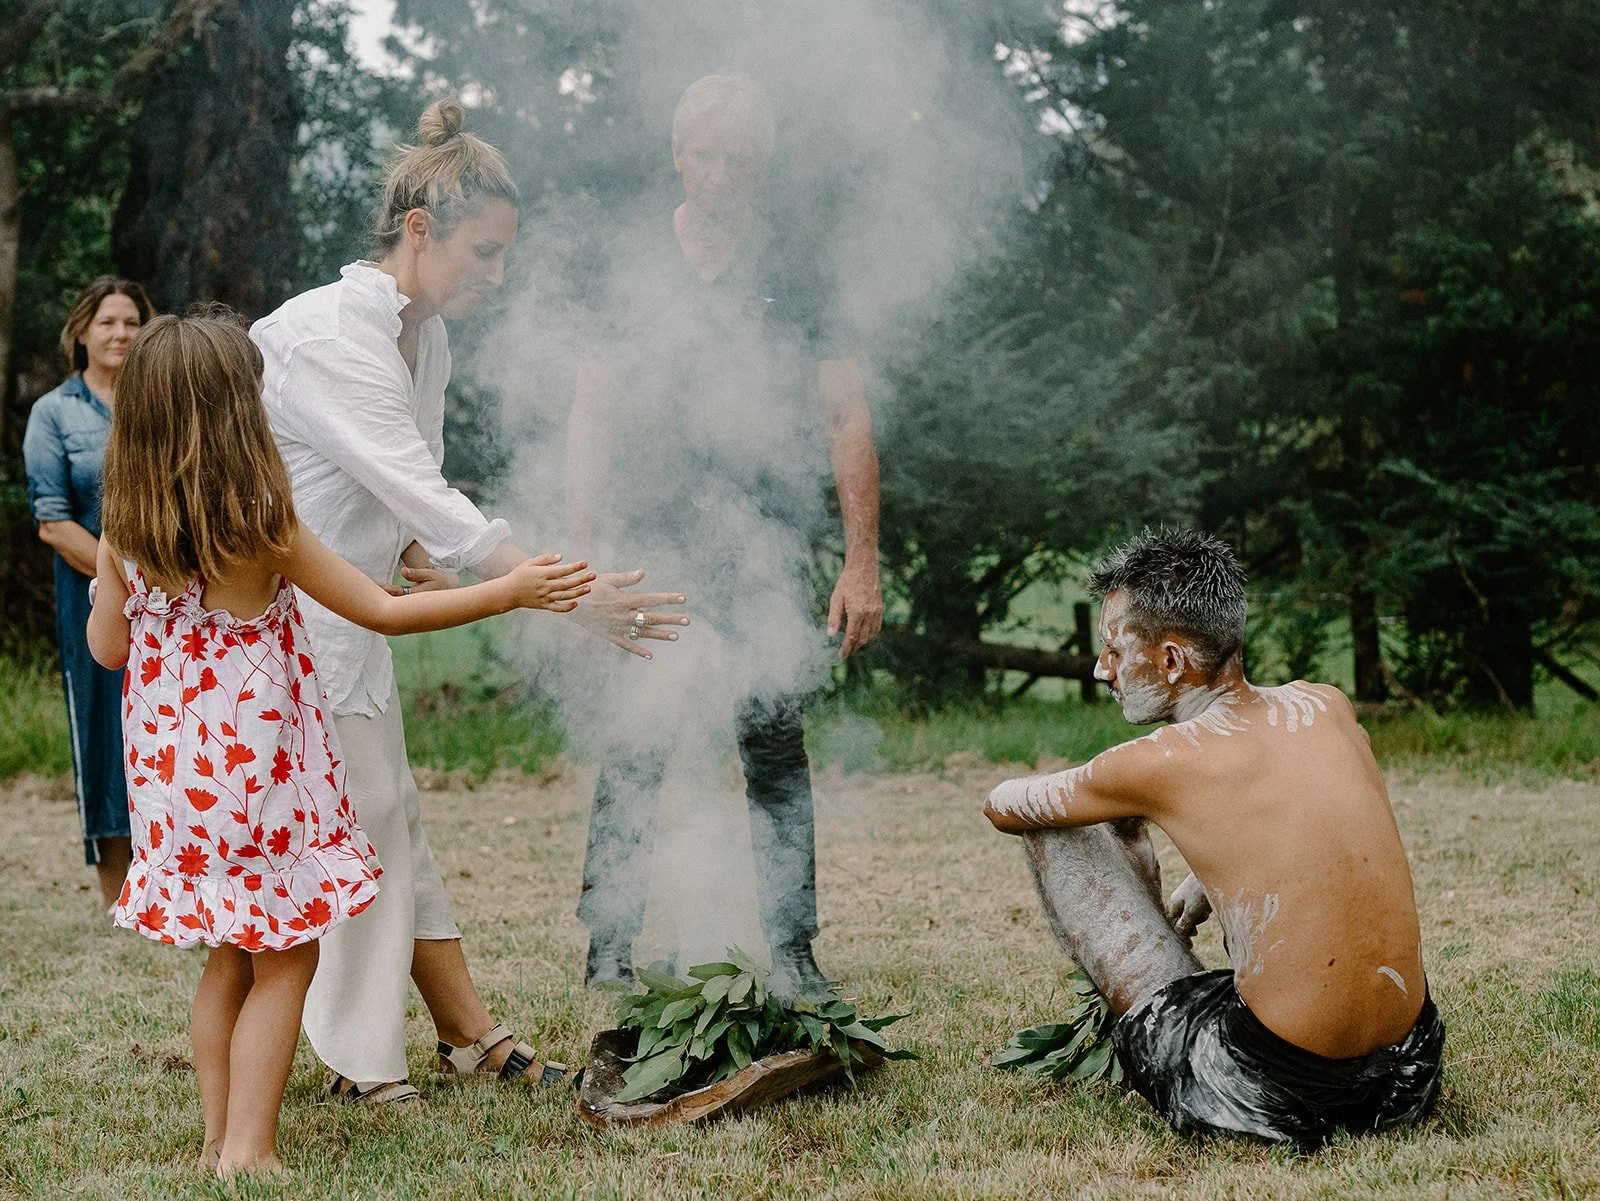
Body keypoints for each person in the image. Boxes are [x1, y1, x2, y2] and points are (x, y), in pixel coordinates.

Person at [251, 98, 687, 1105]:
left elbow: (398, 490)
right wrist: (560, 595)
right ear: (419, 230)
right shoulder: (329, 333)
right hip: (288, 628)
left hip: (352, 619)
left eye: (504, 257)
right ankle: (363, 1063)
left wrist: (431, 559)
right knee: (365, 829)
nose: (495, 275)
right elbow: (418, 484)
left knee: (392, 819)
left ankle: (467, 1034)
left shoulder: (424, 336)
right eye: (483, 253)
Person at [86, 310, 594, 1175]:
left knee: (227, 958)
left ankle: (217, 1142)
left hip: (176, 782)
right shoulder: (260, 523)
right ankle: (250, 1149)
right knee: (287, 958)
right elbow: (385, 610)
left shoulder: (124, 529)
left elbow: (109, 649)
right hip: (256, 780)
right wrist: (510, 590)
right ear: (236, 415)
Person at [566, 74, 884, 993]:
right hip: (645, 539)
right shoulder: (630, 259)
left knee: (773, 733)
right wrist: (581, 556)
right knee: (638, 739)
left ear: (762, 166)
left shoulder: (798, 261)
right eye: (705, 152)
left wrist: (861, 560)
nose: (720, 171)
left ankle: (793, 949)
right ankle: (608, 944)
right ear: (678, 156)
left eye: (738, 156)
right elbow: (592, 410)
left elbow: (845, 416)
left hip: (765, 541)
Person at [983, 528, 1444, 1147]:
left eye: (1115, 652)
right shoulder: (1325, 706)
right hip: (1413, 1073)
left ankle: (1167, 996)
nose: (1101, 670)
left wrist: (1117, 818)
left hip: (1272, 1093)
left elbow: (1003, 806)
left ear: (1173, 661)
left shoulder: (1160, 760)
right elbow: (1310, 821)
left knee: (1053, 826)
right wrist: (1209, 876)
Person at [23, 276, 154, 910]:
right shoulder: (55, 412)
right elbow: (52, 521)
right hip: (92, 594)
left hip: (171, 590)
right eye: (108, 322)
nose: (121, 333)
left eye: (132, 322)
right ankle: (115, 892)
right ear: (82, 332)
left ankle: (173, 882)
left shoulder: (159, 404)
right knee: (102, 728)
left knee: (167, 725)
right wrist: (121, 579)